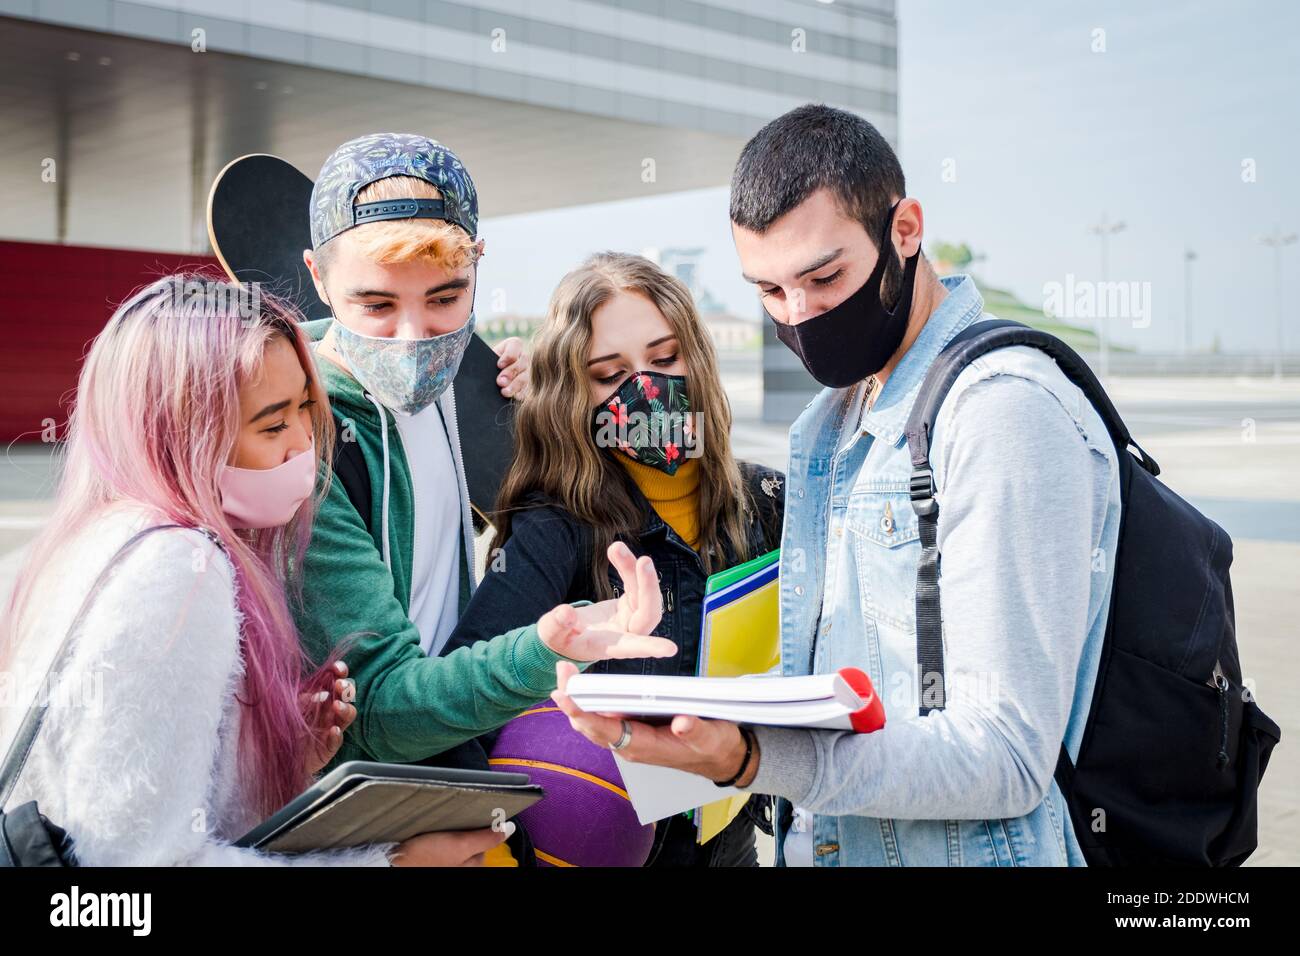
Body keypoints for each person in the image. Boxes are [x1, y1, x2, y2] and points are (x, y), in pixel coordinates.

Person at [552, 103, 1123, 867]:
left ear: (907, 230)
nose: (801, 315)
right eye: (768, 291)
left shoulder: (1002, 413)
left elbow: (1006, 757)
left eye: (825, 277)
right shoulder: (833, 421)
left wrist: (751, 760)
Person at [0, 275, 542, 865]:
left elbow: (159, 786)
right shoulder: (176, 573)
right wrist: (384, 864)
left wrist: (270, 751)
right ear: (183, 432)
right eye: (273, 424)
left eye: (309, 411)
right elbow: (135, 865)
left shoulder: (97, 534)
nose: (305, 447)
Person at [442, 252, 785, 866]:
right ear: (578, 390)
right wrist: (499, 851)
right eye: (609, 373)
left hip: (730, 844)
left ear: (697, 357)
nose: (646, 388)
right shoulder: (558, 525)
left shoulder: (768, 501)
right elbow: (461, 697)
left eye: (664, 358)